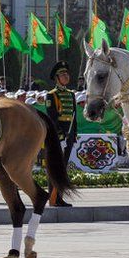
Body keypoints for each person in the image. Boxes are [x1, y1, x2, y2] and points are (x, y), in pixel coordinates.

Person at [45, 61, 77, 207]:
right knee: (55, 167)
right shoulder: (51, 95)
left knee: (63, 168)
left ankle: (59, 197)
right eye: (63, 74)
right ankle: (53, 198)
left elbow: (74, 117)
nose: (66, 76)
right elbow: (52, 117)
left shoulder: (71, 94)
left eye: (67, 74)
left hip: (69, 135)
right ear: (57, 78)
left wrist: (73, 135)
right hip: (58, 136)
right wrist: (60, 135)